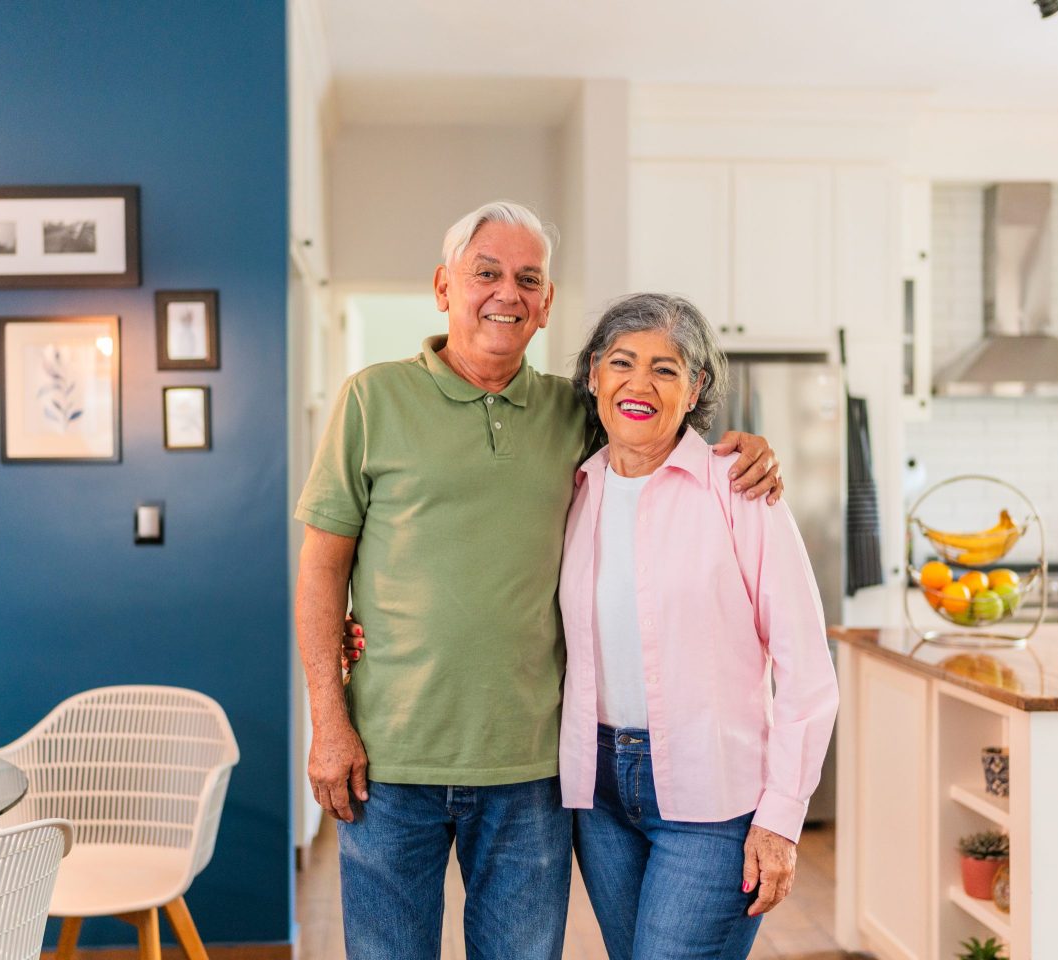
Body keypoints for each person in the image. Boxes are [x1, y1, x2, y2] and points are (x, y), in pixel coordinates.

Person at [294, 201, 784, 960]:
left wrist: (744, 450)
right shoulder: (371, 399)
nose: (507, 292)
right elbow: (322, 569)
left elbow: (654, 427)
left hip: (533, 767)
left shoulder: (573, 411)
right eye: (485, 272)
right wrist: (329, 721)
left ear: (547, 302)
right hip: (387, 761)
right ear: (443, 286)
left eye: (529, 278)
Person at [560, 293, 838, 960]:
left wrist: (781, 819)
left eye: (665, 368)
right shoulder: (574, 488)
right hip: (597, 796)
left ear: (695, 389)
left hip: (713, 798)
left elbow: (807, 669)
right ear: (595, 373)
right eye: (622, 362)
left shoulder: (739, 490)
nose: (639, 384)